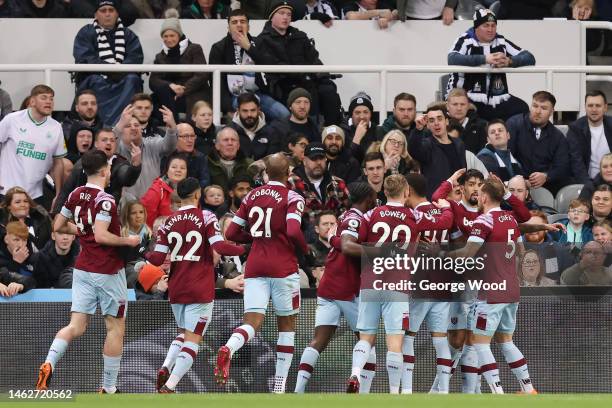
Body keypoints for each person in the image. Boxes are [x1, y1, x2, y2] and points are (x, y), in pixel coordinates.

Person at [36, 149, 141, 393]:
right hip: (107, 270)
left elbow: (58, 225)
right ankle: (108, 387)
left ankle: (48, 362)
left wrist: (83, 232)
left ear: (84, 170)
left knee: (75, 326)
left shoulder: (75, 193)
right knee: (115, 328)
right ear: (106, 171)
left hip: (82, 268)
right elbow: (103, 236)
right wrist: (129, 241)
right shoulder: (105, 200)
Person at [346, 174, 452, 394]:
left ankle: (355, 372)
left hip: (371, 281)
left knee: (366, 336)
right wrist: (446, 207)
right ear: (406, 193)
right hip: (397, 284)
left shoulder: (371, 214)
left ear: (384, 192)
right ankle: (395, 393)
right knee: (395, 342)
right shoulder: (413, 216)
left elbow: (358, 239)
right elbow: (445, 222)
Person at [214, 153, 308, 394]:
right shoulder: (293, 196)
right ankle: (279, 386)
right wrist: (304, 249)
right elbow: (293, 229)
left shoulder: (252, 195)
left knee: (251, 323)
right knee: (286, 326)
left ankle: (229, 348)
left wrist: (255, 238)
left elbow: (232, 232)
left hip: (255, 266)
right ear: (288, 174)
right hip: (283, 267)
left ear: (266, 173)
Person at [146, 177, 246, 393]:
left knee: (182, 332)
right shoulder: (207, 216)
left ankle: (165, 366)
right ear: (198, 194)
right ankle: (170, 386)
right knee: (193, 340)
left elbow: (156, 259)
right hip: (200, 287)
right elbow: (219, 245)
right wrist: (244, 249)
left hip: (177, 287)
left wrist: (142, 251)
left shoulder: (167, 222)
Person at [446, 177, 537, 395]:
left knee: (479, 342)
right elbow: (522, 252)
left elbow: (468, 253)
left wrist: (440, 255)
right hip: (512, 290)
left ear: (485, 196)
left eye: (480, 193)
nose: (477, 195)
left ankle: (498, 393)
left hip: (491, 292)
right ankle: (529, 389)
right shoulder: (510, 219)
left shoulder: (484, 221)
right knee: (506, 341)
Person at [295, 182, 378, 393]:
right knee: (368, 343)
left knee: (319, 340)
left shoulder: (345, 217)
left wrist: (333, 238)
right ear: (368, 198)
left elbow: (342, 243)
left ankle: (298, 391)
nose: (376, 200)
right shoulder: (354, 219)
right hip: (348, 288)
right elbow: (349, 247)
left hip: (328, 286)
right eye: (374, 197)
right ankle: (361, 388)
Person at [402, 173, 458, 395]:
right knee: (440, 338)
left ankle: (406, 389)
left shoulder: (414, 214)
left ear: (407, 189)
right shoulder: (444, 211)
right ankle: (443, 391)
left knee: (408, 335)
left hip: (421, 282)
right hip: (443, 282)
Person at [255, 1, 343, 126]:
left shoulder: (299, 36)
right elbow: (274, 66)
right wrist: (305, 74)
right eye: (281, 13)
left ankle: (332, 131)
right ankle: (312, 130)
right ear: (272, 16)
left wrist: (322, 76)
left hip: (307, 80)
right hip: (283, 85)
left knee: (328, 89)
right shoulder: (262, 40)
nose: (285, 17)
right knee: (305, 92)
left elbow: (314, 59)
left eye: (288, 14)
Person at [446, 9, 534, 121]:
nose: (490, 30)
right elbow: (452, 58)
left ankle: (507, 138)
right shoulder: (465, 40)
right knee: (474, 118)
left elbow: (529, 57)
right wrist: (485, 59)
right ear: (476, 27)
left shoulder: (500, 41)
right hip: (467, 97)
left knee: (522, 108)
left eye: (493, 26)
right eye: (486, 25)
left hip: (496, 98)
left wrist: (509, 61)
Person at [208, 8, 289, 121]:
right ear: (229, 27)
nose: (239, 25)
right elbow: (216, 82)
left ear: (248, 26)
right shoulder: (219, 48)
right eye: (234, 22)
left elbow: (272, 66)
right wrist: (227, 108)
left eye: (243, 21)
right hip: (234, 96)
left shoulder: (260, 43)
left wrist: (249, 48)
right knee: (247, 115)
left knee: (284, 114)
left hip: (259, 94)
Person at [73, 0, 144, 126]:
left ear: (117, 14)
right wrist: (111, 70)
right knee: (95, 80)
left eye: (111, 10)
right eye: (103, 10)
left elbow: (135, 58)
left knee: (132, 79)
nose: (107, 14)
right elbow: (84, 57)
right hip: (95, 78)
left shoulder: (128, 35)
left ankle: (117, 125)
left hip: (123, 79)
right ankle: (110, 125)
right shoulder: (86, 32)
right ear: (96, 14)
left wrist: (119, 72)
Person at [0, 84, 66, 208]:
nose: (49, 101)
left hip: (35, 195)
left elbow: (58, 162)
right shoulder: (12, 120)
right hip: (7, 191)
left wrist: (58, 193)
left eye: (51, 98)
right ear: (32, 101)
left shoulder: (56, 127)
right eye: (44, 97)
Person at [54, 128, 141, 214]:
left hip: (107, 213)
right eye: (104, 140)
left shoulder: (119, 163)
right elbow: (67, 189)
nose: (108, 143)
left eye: (112, 140)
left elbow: (127, 178)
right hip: (81, 213)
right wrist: (57, 212)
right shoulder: (84, 162)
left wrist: (135, 166)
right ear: (96, 143)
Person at [149, 11, 211, 119]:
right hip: (171, 95)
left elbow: (202, 75)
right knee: (151, 100)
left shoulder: (194, 48)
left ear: (179, 34)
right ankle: (173, 125)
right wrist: (170, 86)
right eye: (165, 36)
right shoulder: (160, 56)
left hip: (194, 92)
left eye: (172, 35)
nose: (169, 39)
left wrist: (184, 89)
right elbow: (153, 80)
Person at [507, 91, 570, 195]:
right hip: (515, 185)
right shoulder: (513, 124)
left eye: (544, 108)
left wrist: (546, 176)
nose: (538, 111)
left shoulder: (558, 137)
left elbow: (562, 166)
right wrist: (521, 180)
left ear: (552, 111)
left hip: (547, 186)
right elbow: (507, 156)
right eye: (535, 106)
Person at [115, 104, 178, 200]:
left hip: (153, 203)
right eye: (128, 126)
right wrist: (119, 126)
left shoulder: (152, 143)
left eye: (136, 125)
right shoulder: (116, 148)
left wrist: (171, 128)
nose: (133, 128)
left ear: (141, 129)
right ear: (121, 130)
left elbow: (169, 147)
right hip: (126, 207)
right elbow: (108, 143)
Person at [408, 104, 466, 199]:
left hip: (458, 200)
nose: (436, 123)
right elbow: (413, 149)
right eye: (431, 120)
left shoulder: (459, 144)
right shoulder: (426, 145)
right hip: (436, 201)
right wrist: (418, 129)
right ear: (428, 125)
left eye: (439, 119)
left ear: (446, 121)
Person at [288, 142, 350, 225]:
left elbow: (347, 212)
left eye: (321, 158)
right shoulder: (291, 183)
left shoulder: (338, 183)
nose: (318, 163)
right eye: (313, 159)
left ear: (325, 159)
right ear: (304, 161)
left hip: (333, 233)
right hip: (304, 234)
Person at [568, 90, 612, 184]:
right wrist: (588, 186)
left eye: (598, 105)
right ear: (585, 107)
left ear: (605, 107)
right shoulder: (575, 129)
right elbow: (576, 162)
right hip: (588, 181)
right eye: (590, 105)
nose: (594, 109)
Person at [141, 153, 188, 228]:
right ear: (167, 170)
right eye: (174, 167)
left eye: (182, 168)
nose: (178, 170)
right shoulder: (157, 189)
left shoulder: (191, 190)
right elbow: (146, 214)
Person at [230, 92, 280, 160]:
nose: (249, 115)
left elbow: (272, 161)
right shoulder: (229, 132)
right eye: (245, 111)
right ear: (238, 111)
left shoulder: (271, 132)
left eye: (253, 110)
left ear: (259, 110)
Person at [0, 186, 52, 252]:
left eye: (25, 201)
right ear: (9, 206)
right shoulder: (3, 227)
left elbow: (52, 240)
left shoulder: (42, 218)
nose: (23, 204)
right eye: (17, 202)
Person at [160, 123, 210, 189]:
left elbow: (204, 182)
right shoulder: (166, 156)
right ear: (175, 137)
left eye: (192, 136)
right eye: (185, 136)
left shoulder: (200, 158)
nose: (190, 140)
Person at [207, 127, 253, 195]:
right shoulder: (207, 163)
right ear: (217, 145)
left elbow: (258, 184)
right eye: (226, 140)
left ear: (238, 145)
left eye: (233, 140)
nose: (230, 143)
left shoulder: (250, 164)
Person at [341, 92, 381, 164]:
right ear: (351, 115)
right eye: (357, 112)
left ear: (370, 114)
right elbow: (345, 162)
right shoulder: (343, 132)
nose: (362, 116)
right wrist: (357, 138)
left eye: (365, 112)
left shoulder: (378, 131)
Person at [446, 88, 487, 154]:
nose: (459, 108)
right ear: (447, 106)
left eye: (462, 104)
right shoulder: (439, 126)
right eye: (455, 104)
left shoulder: (481, 126)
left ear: (468, 106)